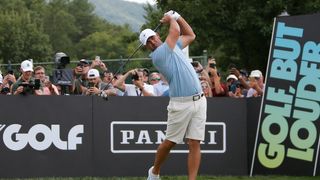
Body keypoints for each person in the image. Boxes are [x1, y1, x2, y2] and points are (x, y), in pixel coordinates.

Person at [140, 10, 206, 180]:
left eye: (153, 37)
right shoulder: (158, 55)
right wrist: (171, 19)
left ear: (157, 35)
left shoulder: (173, 46)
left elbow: (190, 35)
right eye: (148, 42)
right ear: (147, 47)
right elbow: (175, 31)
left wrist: (177, 17)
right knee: (170, 142)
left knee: (194, 142)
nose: (152, 41)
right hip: (180, 103)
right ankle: (154, 171)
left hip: (199, 100)